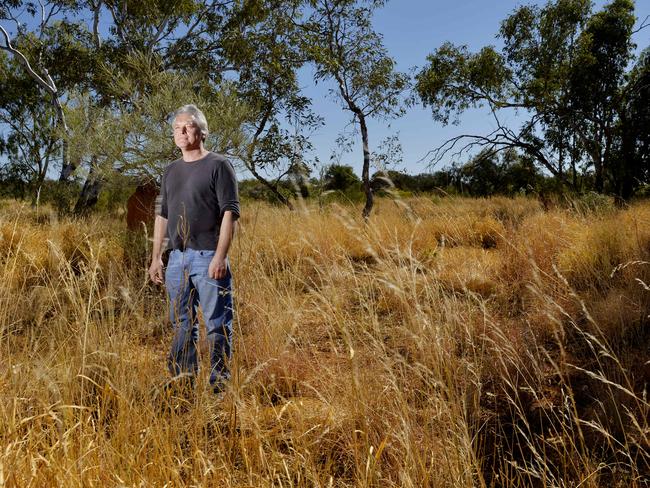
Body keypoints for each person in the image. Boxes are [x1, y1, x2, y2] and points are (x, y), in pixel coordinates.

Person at [148, 104, 239, 395]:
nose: (181, 132)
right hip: (176, 259)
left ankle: (218, 391)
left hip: (208, 258)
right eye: (176, 127)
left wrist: (220, 256)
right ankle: (182, 385)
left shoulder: (218, 165)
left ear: (202, 131)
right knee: (182, 325)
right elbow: (162, 216)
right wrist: (156, 259)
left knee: (217, 326)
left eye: (187, 126)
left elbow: (229, 213)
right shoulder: (170, 170)